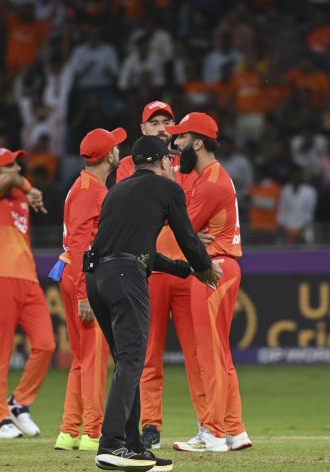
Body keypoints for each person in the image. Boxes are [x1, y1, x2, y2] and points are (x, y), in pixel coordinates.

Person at [87, 135, 221, 472]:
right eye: (170, 160)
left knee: (125, 364)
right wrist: (204, 267)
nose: (173, 165)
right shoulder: (168, 190)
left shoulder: (116, 192)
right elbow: (187, 237)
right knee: (132, 361)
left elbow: (141, 252)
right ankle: (112, 444)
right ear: (163, 162)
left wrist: (183, 270)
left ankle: (132, 447)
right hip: (125, 279)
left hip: (97, 277)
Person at [116, 101, 203, 451]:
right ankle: (150, 423)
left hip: (183, 268)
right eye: (155, 122)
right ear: (143, 128)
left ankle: (207, 422)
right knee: (147, 351)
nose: (163, 127)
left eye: (168, 121)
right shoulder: (129, 166)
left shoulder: (187, 163)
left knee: (197, 351)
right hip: (150, 266)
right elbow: (139, 210)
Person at [166, 113, 252, 452]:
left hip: (212, 270)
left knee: (210, 355)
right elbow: (189, 231)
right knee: (220, 353)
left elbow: (181, 229)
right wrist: (191, 234)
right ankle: (235, 430)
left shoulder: (212, 181)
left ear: (198, 143)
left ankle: (213, 433)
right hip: (219, 267)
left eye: (181, 138)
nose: (174, 145)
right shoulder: (211, 177)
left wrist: (190, 235)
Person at [52, 127, 126, 452]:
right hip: (86, 275)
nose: (119, 151)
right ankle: (92, 433)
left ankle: (68, 431)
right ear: (109, 156)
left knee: (82, 358)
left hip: (76, 271)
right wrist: (85, 292)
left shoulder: (86, 186)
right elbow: (81, 242)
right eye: (115, 147)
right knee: (95, 356)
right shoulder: (89, 191)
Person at [0, 147, 56, 439]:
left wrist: (28, 191)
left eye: (17, 164)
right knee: (1, 352)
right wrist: (29, 187)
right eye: (9, 165)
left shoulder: (20, 196)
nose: (17, 169)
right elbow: (4, 183)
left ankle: (19, 402)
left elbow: (16, 183)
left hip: (29, 280)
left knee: (46, 345)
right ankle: (0, 421)